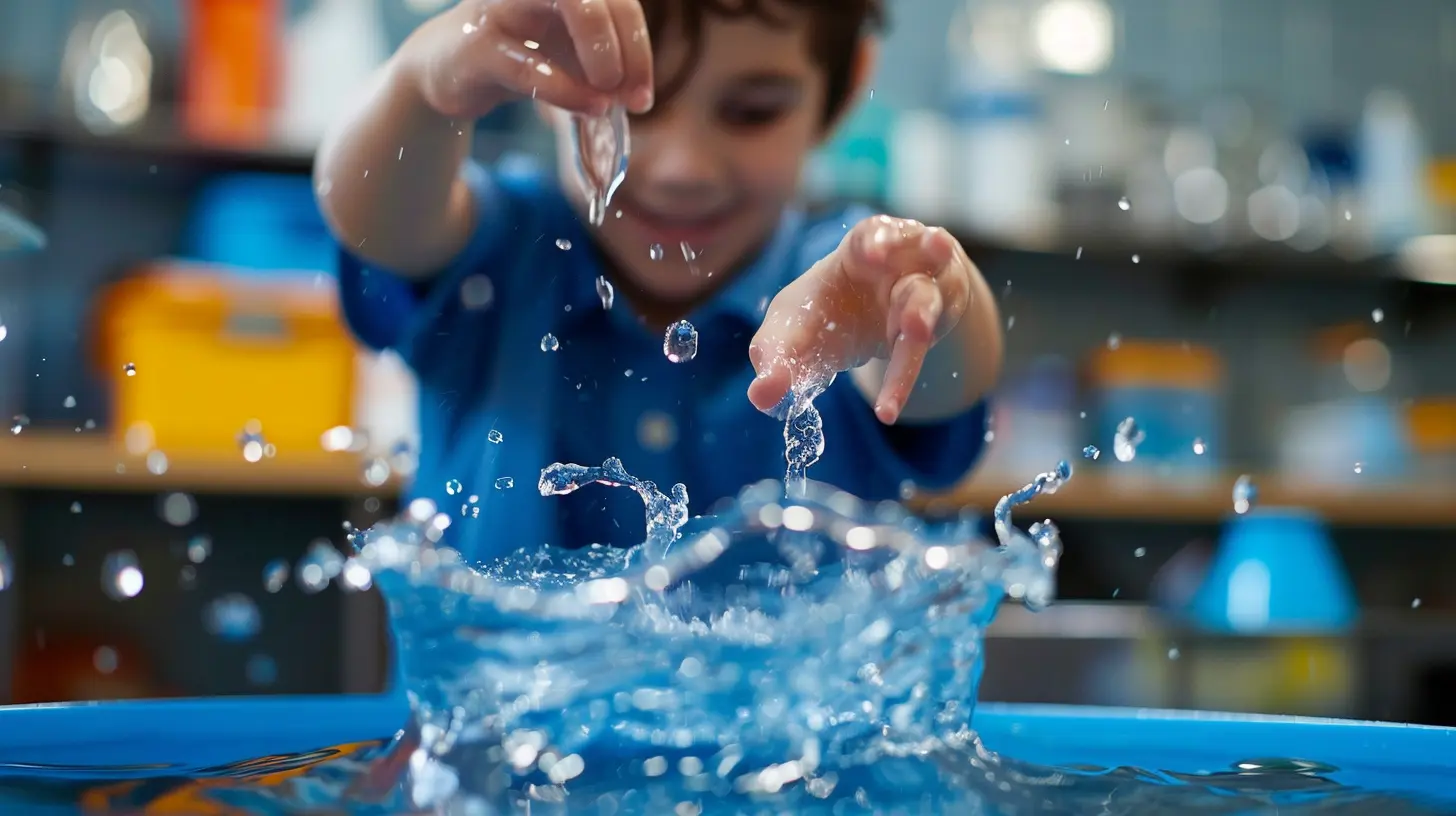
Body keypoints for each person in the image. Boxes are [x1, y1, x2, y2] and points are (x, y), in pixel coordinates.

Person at [316, 0, 1004, 561]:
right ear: (541, 74)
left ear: (848, 82)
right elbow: (375, 217)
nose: (683, 168)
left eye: (752, 111)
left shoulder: (845, 287)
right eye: (632, 107)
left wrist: (934, 302)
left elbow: (944, 379)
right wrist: (424, 83)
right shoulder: (498, 253)